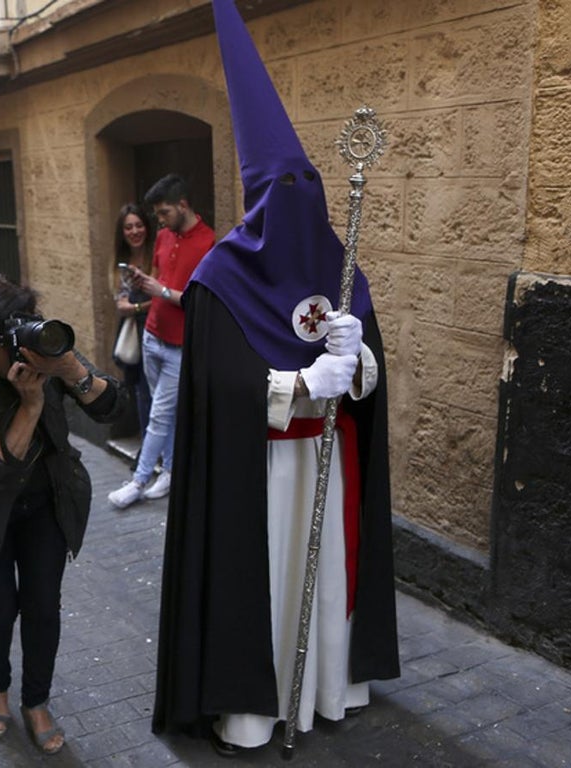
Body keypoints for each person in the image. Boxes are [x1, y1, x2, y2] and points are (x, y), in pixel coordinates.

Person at [151, 0, 399, 756]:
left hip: (332, 459)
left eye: (307, 185)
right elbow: (216, 391)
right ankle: (252, 712)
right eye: (282, 188)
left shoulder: (341, 266)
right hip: (258, 472)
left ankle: (328, 689)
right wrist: (299, 386)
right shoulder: (220, 278)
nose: (298, 200)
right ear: (259, 198)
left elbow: (372, 378)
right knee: (266, 582)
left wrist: (357, 360)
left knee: (329, 576)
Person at [0, 275, 125, 755]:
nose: (20, 346)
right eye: (5, 339)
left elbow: (110, 409)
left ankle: (36, 701)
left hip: (44, 503)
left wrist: (69, 367)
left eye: (23, 325)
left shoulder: (43, 350)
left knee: (42, 606)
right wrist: (32, 404)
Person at [107, 175, 214, 509]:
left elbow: (202, 302)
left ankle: (138, 481)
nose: (160, 221)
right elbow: (160, 277)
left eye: (164, 212)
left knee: (158, 415)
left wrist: (162, 291)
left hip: (179, 346)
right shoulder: (165, 236)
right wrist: (144, 281)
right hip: (151, 337)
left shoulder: (209, 243)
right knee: (162, 413)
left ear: (183, 205)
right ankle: (168, 470)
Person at [110, 203, 154, 436]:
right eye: (128, 227)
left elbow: (163, 297)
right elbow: (121, 305)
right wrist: (142, 306)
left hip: (159, 332)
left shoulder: (156, 256)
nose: (135, 231)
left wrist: (136, 306)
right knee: (141, 391)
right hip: (136, 335)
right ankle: (148, 443)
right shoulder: (119, 264)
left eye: (139, 225)